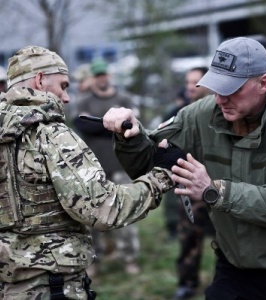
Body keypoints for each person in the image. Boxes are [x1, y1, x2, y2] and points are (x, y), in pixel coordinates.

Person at [103, 37, 266, 300]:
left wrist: (214, 191)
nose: (220, 99)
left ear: (263, 83)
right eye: (216, 87)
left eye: (231, 89)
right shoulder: (202, 114)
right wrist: (129, 135)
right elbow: (146, 163)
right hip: (233, 268)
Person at [0, 45, 184, 300]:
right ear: (40, 80)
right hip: (51, 286)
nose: (66, 98)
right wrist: (161, 176)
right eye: (63, 86)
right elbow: (104, 209)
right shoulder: (52, 136)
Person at [72, 58, 142, 276]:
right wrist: (113, 126)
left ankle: (129, 256)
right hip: (93, 168)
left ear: (109, 76)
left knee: (125, 212)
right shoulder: (84, 101)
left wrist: (100, 124)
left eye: (104, 74)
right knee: (94, 215)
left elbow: (134, 126)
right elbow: (81, 125)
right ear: (93, 78)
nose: (102, 78)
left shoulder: (124, 98)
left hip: (121, 165)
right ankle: (95, 259)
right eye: (97, 75)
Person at [163, 66, 214, 299]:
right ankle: (187, 282)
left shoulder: (224, 112)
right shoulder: (178, 114)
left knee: (229, 240)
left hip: (222, 186)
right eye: (186, 83)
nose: (189, 88)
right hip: (191, 190)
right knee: (189, 239)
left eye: (195, 82)